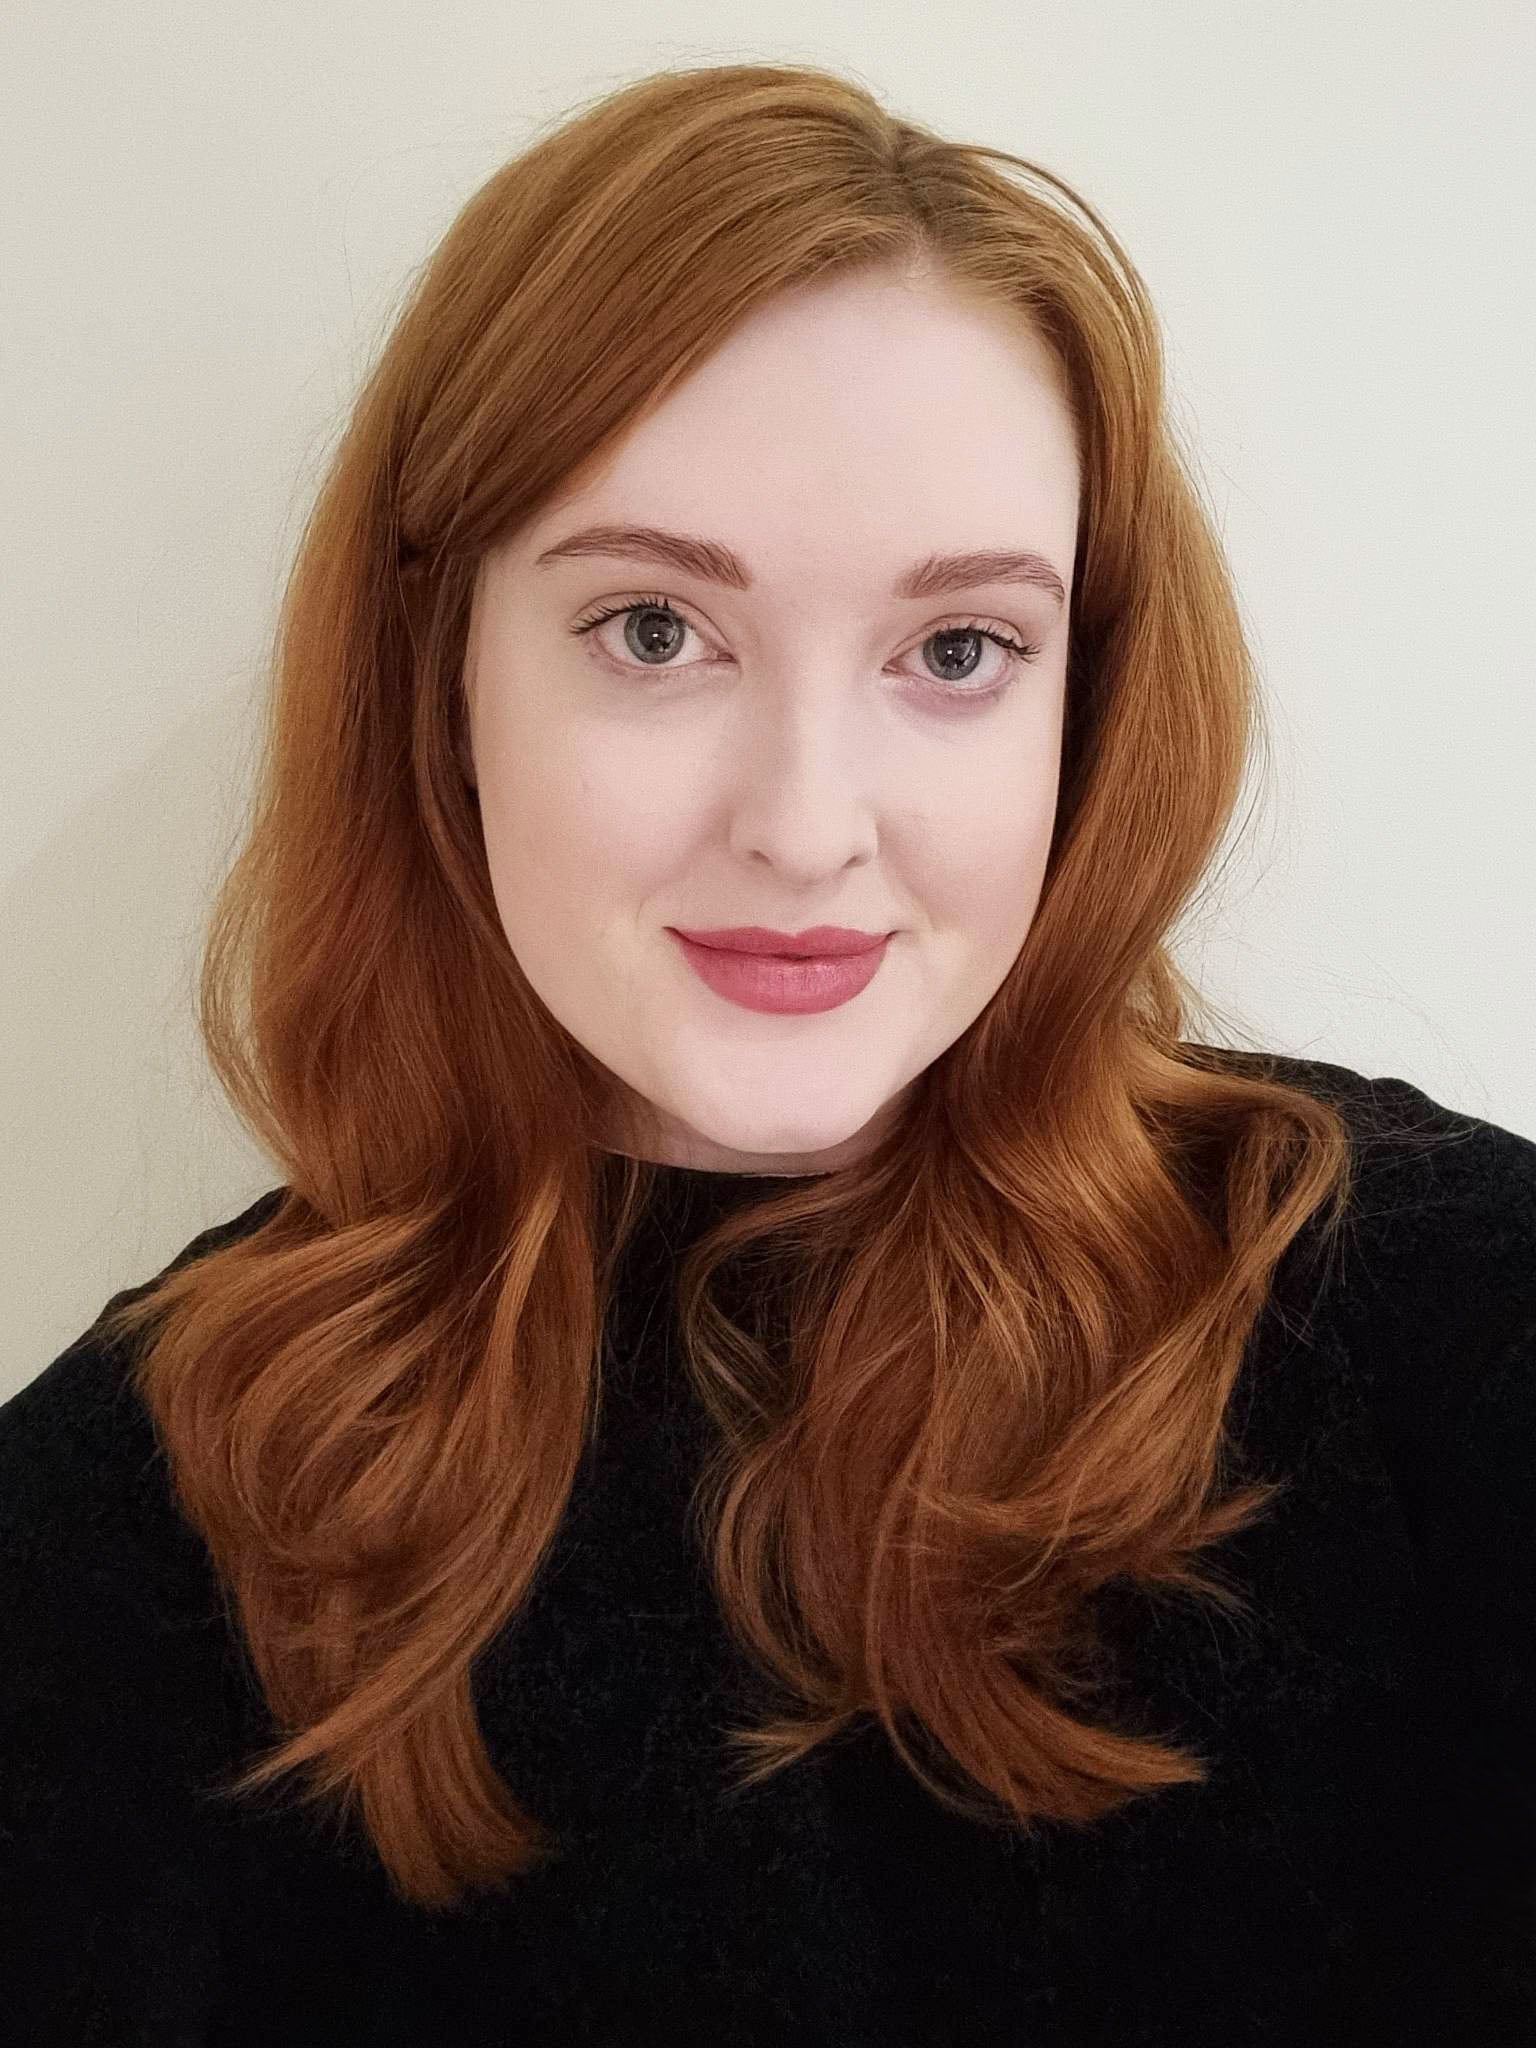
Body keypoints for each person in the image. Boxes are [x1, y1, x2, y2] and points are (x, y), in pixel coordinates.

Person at [2, 58, 1532, 2047]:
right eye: (653, 631)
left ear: (1086, 699)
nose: (810, 823)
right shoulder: (139, 1517)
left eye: (959, 651)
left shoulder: (1445, 1326)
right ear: (443, 676)